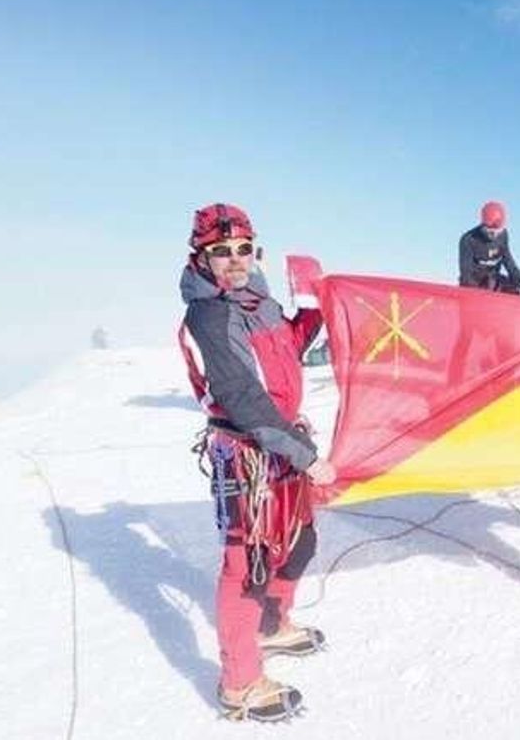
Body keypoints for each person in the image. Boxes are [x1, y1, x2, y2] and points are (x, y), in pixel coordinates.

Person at [178, 203, 337, 722]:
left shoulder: (258, 301)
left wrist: (317, 309)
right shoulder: (211, 315)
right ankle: (239, 682)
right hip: (247, 455)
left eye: (243, 249)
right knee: (245, 568)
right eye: (220, 252)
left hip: (284, 444)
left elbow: (288, 346)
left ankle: (272, 625)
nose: (234, 260)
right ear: (201, 256)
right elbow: (244, 399)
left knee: (300, 541)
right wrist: (308, 457)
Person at [458, 200, 520, 294]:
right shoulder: (468, 240)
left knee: (513, 288)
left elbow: (507, 259)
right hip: (474, 282)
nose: (494, 235)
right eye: (490, 232)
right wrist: (479, 294)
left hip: (492, 279)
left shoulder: (503, 236)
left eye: (497, 231)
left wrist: (517, 277)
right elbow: (466, 274)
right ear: (483, 225)